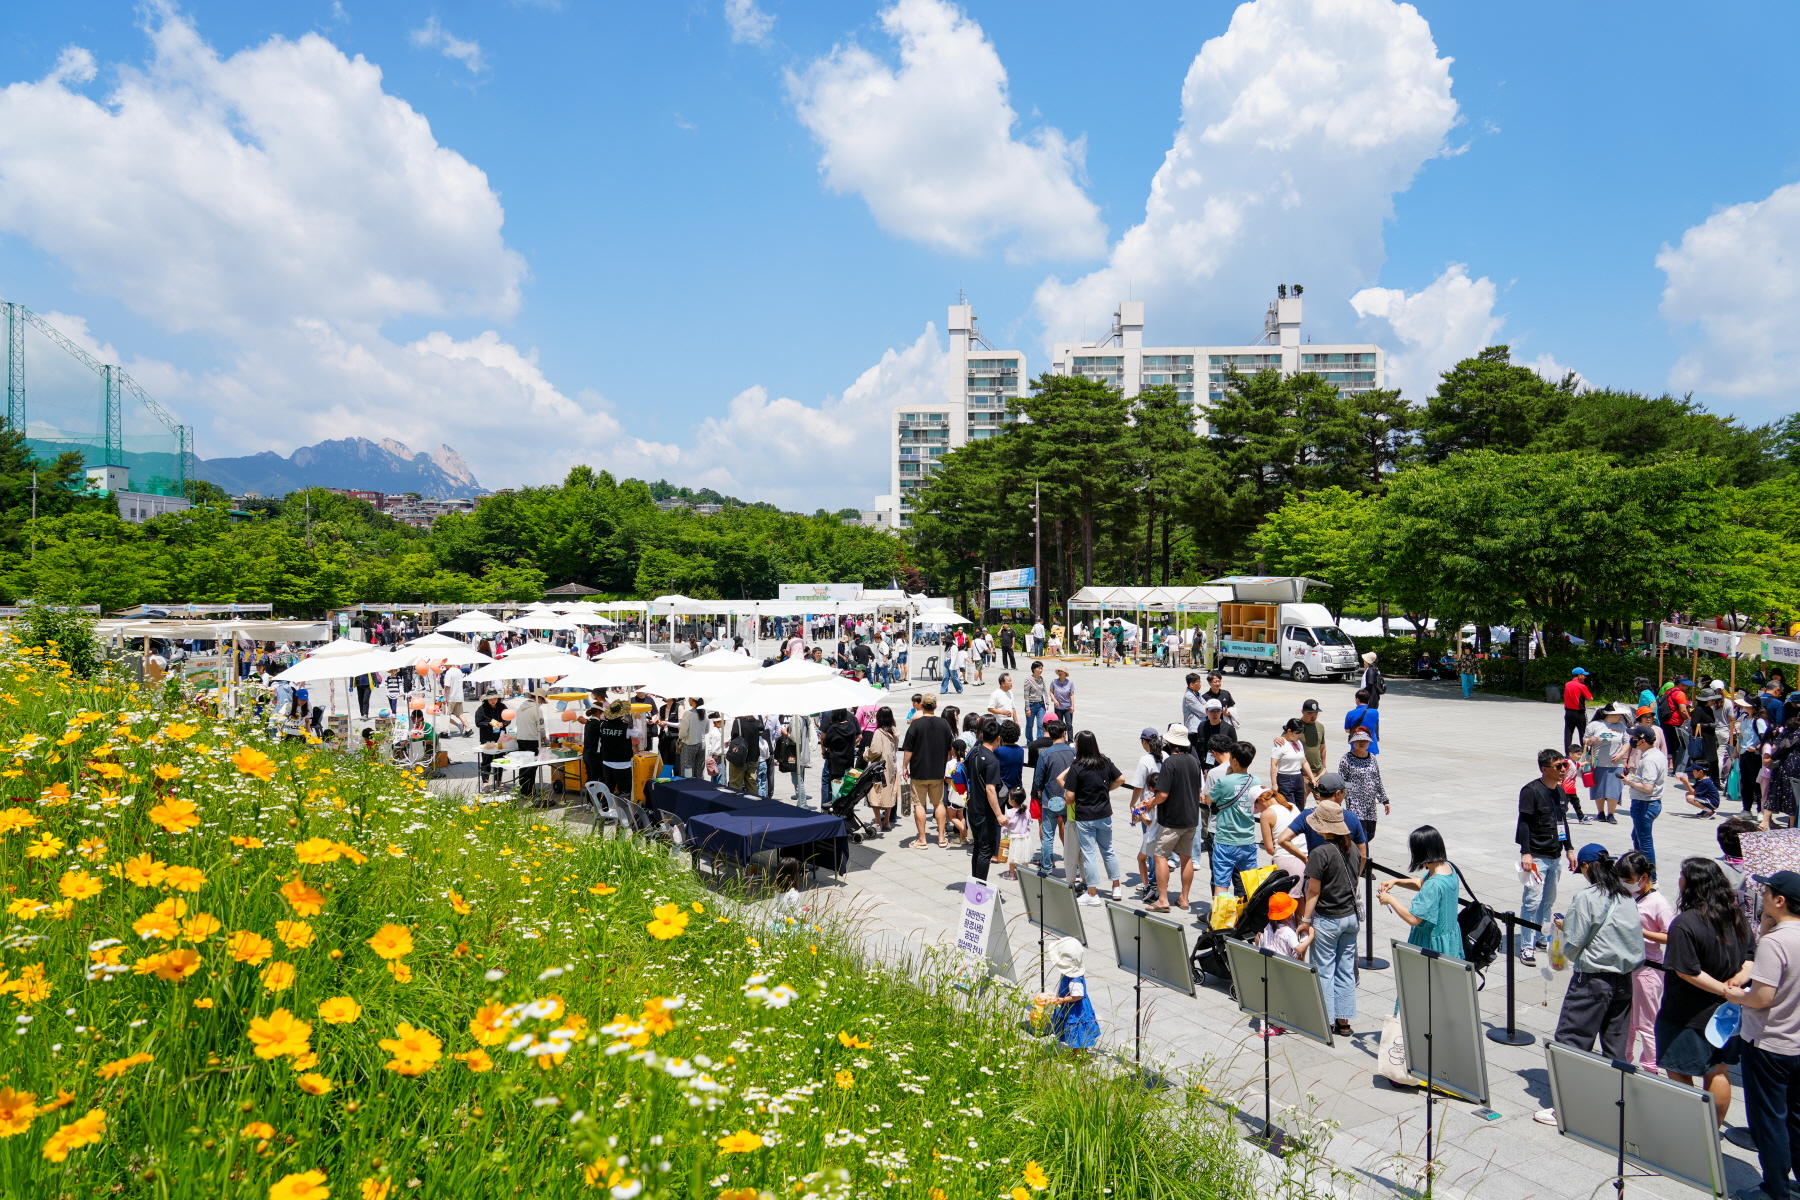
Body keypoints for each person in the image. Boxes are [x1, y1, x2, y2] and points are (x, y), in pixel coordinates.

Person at [1531, 843, 1651, 1128]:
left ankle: (1569, 1107)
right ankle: (1616, 1103)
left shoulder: (1588, 896)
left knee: (1573, 1040)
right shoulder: (1626, 894)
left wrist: (1562, 926)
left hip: (1593, 980)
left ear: (1586, 867)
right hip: (1624, 980)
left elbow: (1576, 935)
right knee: (1616, 1044)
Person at [1659, 857, 1754, 1128]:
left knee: (1678, 1072)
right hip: (1727, 1015)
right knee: (1718, 1070)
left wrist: (1724, 989)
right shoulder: (1736, 915)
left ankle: (1691, 1134)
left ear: (1691, 884)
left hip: (1686, 1015)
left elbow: (1687, 971)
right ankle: (1712, 1130)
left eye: (1682, 875)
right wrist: (1736, 981)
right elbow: (1750, 958)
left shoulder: (1685, 923)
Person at [1725, 870, 1800, 1200]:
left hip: (1768, 1044)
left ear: (1780, 901)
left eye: (1767, 892)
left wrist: (1735, 995)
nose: (1763, 896)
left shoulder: (1774, 942)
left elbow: (1762, 997)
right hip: (1797, 1045)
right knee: (1796, 1121)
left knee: (1769, 1122)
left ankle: (1775, 1190)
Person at [1298, 800, 1361, 1037]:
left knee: (1324, 969)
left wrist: (1305, 919)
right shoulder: (1353, 848)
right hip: (1350, 917)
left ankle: (1324, 1019)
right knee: (1345, 969)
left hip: (1328, 918)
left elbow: (1313, 891)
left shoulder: (1320, 853)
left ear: (1322, 827)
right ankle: (1343, 1022)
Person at [1517, 748, 1577, 966]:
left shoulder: (1560, 792)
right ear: (1545, 769)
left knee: (1548, 900)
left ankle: (1542, 935)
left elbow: (1562, 822)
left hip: (1555, 855)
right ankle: (1526, 945)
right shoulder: (1531, 791)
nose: (1563, 769)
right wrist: (1526, 852)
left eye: (1565, 765)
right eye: (1559, 766)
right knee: (1531, 902)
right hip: (1536, 856)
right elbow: (1524, 823)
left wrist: (1569, 848)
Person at [1619, 850, 1675, 1074]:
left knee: (1646, 1022)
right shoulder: (1630, 896)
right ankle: (1625, 1059)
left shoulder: (1658, 902)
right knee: (1628, 1021)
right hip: (1628, 967)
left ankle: (1651, 1067)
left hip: (1648, 969)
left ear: (1643, 877)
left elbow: (1671, 935)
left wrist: (1642, 932)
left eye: (1629, 880)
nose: (1625, 884)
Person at [1057, 731, 1125, 906]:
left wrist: (1070, 797)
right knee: (1108, 850)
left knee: (1089, 854)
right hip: (1104, 813)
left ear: (1080, 745)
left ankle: (1092, 894)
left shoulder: (1077, 767)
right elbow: (1121, 779)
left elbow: (1070, 796)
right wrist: (1105, 790)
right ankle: (1116, 887)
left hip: (1085, 816)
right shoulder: (1104, 761)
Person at [1378, 825, 1464, 958]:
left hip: (1431, 945)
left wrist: (1390, 900)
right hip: (1449, 941)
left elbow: (1413, 919)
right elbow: (1423, 883)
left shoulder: (1433, 884)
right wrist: (1397, 881)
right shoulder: (1448, 866)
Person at [1147, 725, 1202, 912]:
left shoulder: (1170, 762)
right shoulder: (1194, 761)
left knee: (1160, 855)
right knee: (1187, 858)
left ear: (1170, 743)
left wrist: (1150, 804)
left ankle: (1163, 900)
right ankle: (1184, 898)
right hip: (1191, 817)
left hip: (1173, 818)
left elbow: (1162, 795)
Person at [1203, 741, 1262, 898]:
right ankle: (1245, 919)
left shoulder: (1224, 781)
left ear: (1234, 761)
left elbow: (1208, 800)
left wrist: (1228, 776)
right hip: (1248, 840)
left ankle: (1221, 920)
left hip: (1225, 841)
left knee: (1221, 885)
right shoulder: (1256, 781)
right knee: (1249, 884)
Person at [1256, 891, 1313, 1038]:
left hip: (1268, 966)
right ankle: (1281, 1023)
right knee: (1285, 995)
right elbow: (1299, 949)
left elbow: (1260, 942)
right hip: (1283, 968)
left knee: (1269, 997)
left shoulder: (1268, 927)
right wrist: (1310, 937)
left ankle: (1264, 1026)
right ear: (1289, 914)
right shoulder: (1287, 931)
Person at [901, 695, 954, 850]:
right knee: (938, 803)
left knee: (919, 804)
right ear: (936, 706)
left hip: (919, 771)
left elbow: (908, 750)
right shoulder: (944, 724)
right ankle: (942, 837)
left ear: (922, 706)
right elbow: (950, 749)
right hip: (938, 771)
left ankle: (922, 839)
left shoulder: (916, 725)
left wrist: (905, 767)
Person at [964, 719, 1006, 881]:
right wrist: (999, 815)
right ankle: (980, 886)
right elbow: (990, 789)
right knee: (986, 851)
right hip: (984, 811)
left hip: (972, 807)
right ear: (998, 738)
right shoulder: (992, 760)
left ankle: (975, 882)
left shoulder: (975, 751)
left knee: (978, 848)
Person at [1032, 720, 1074, 878]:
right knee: (1071, 836)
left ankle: (1047, 867)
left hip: (1050, 799)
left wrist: (1039, 791)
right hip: (1069, 799)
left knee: (1048, 836)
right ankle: (1074, 869)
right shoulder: (1073, 753)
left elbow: (1038, 778)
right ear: (1064, 734)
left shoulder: (1045, 754)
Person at [1042, 937, 1100, 1051]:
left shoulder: (1075, 979)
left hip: (1076, 1008)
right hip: (1073, 1005)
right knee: (1077, 1029)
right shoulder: (1071, 974)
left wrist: (1062, 1000)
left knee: (1076, 1029)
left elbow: (1077, 996)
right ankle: (1079, 1051)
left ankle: (1076, 1055)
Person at [1623, 725, 1670, 863]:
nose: (1632, 741)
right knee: (1637, 836)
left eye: (1634, 738)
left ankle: (1650, 877)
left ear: (1642, 741)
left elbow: (1648, 787)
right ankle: (1640, 869)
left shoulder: (1649, 760)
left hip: (1644, 803)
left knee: (1645, 843)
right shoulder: (1658, 754)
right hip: (1650, 802)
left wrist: (1629, 782)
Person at [1338, 729, 1391, 844]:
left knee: (1370, 834)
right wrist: (1340, 799)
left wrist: (1385, 800)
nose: (1362, 743)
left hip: (1370, 805)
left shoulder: (1372, 758)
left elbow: (1377, 780)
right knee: (1361, 836)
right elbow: (1342, 781)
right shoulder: (1346, 759)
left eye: (1365, 741)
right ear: (1353, 742)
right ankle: (1361, 858)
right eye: (1358, 741)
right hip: (1355, 804)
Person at [1584, 704, 1630, 825]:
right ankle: (1600, 813)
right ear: (1610, 715)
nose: (1620, 717)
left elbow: (1627, 742)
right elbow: (1585, 740)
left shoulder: (1622, 726)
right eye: (1618, 714)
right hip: (1597, 763)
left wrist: (1621, 755)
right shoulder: (1594, 725)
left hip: (1616, 764)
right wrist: (1590, 741)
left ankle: (1611, 814)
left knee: (1614, 789)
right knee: (1598, 788)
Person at [589, 699, 636, 802]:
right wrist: (635, 720)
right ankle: (624, 813)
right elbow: (639, 734)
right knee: (624, 791)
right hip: (622, 763)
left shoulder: (603, 725)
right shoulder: (627, 727)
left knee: (607, 789)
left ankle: (606, 810)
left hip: (607, 762)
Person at [864, 708, 900, 832]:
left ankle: (878, 821)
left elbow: (875, 751)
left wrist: (865, 753)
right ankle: (887, 822)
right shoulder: (895, 731)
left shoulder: (879, 732)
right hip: (892, 766)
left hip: (880, 767)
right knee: (889, 791)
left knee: (875, 792)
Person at [1270, 718, 1314, 810]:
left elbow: (1304, 761)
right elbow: (1274, 765)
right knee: (1290, 807)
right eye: (1297, 733)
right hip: (1285, 778)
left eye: (1301, 733)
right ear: (1289, 731)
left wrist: (1312, 778)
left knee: (1300, 806)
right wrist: (1274, 783)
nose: (1300, 735)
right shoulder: (1280, 744)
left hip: (1298, 777)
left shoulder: (1298, 743)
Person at [820, 709, 859, 807]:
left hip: (835, 762)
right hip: (849, 761)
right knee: (847, 786)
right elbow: (859, 736)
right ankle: (846, 808)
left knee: (832, 785)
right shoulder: (852, 725)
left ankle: (830, 807)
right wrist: (850, 747)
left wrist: (824, 751)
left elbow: (825, 742)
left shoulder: (833, 728)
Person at [512, 690, 545, 800]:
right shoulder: (537, 710)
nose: (542, 703)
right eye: (542, 700)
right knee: (532, 767)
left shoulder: (521, 708)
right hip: (532, 740)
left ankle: (523, 789)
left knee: (523, 766)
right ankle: (530, 791)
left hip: (521, 739)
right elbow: (541, 728)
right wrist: (545, 738)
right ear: (539, 698)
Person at [474, 694, 508, 788]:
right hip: (487, 738)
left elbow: (508, 719)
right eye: (491, 699)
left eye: (495, 699)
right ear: (487, 700)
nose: (493, 701)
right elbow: (478, 723)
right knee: (486, 760)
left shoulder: (502, 707)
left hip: (500, 737)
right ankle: (485, 782)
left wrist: (503, 724)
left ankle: (498, 781)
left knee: (499, 759)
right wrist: (488, 723)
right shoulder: (482, 708)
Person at [1563, 667, 1595, 755]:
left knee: (1568, 733)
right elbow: (1590, 698)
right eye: (1584, 675)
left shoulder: (1567, 684)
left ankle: (1567, 753)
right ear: (1579, 675)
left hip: (1568, 712)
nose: (1585, 677)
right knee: (1583, 733)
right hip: (1579, 712)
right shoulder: (1581, 686)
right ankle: (1585, 751)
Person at [677, 698, 707, 779]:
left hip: (689, 745)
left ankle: (687, 789)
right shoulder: (704, 713)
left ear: (693, 700)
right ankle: (699, 789)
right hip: (701, 744)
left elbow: (683, 733)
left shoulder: (688, 714)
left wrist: (680, 732)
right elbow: (706, 730)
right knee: (699, 771)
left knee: (687, 771)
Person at [1344, 690, 1380, 755]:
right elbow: (1375, 724)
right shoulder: (1375, 712)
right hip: (1371, 745)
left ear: (1357, 700)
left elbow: (1347, 730)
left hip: (1356, 745)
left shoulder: (1350, 713)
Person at [1299, 698, 1328, 778]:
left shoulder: (1320, 726)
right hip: (1302, 773)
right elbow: (1284, 739)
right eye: (1310, 714)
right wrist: (1278, 739)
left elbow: (1323, 748)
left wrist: (1324, 767)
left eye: (1316, 714)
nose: (1313, 717)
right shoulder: (1296, 725)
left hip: (1319, 771)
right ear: (1302, 712)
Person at [1022, 661, 1048, 743]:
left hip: (1041, 705)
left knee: (1040, 724)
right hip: (1031, 705)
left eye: (1041, 668)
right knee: (1030, 725)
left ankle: (1039, 741)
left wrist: (1046, 702)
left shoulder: (1042, 679)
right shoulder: (1028, 680)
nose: (1041, 670)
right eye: (1039, 668)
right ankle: (1029, 741)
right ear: (1034, 669)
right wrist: (1027, 708)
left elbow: (1045, 691)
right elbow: (1026, 695)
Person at [1181, 672, 1209, 737]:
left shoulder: (1197, 694)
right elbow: (1203, 712)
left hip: (1201, 727)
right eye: (1198, 682)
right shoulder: (1189, 696)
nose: (1200, 684)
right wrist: (1204, 707)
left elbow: (1207, 705)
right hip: (1194, 729)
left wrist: (1204, 706)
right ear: (1191, 685)